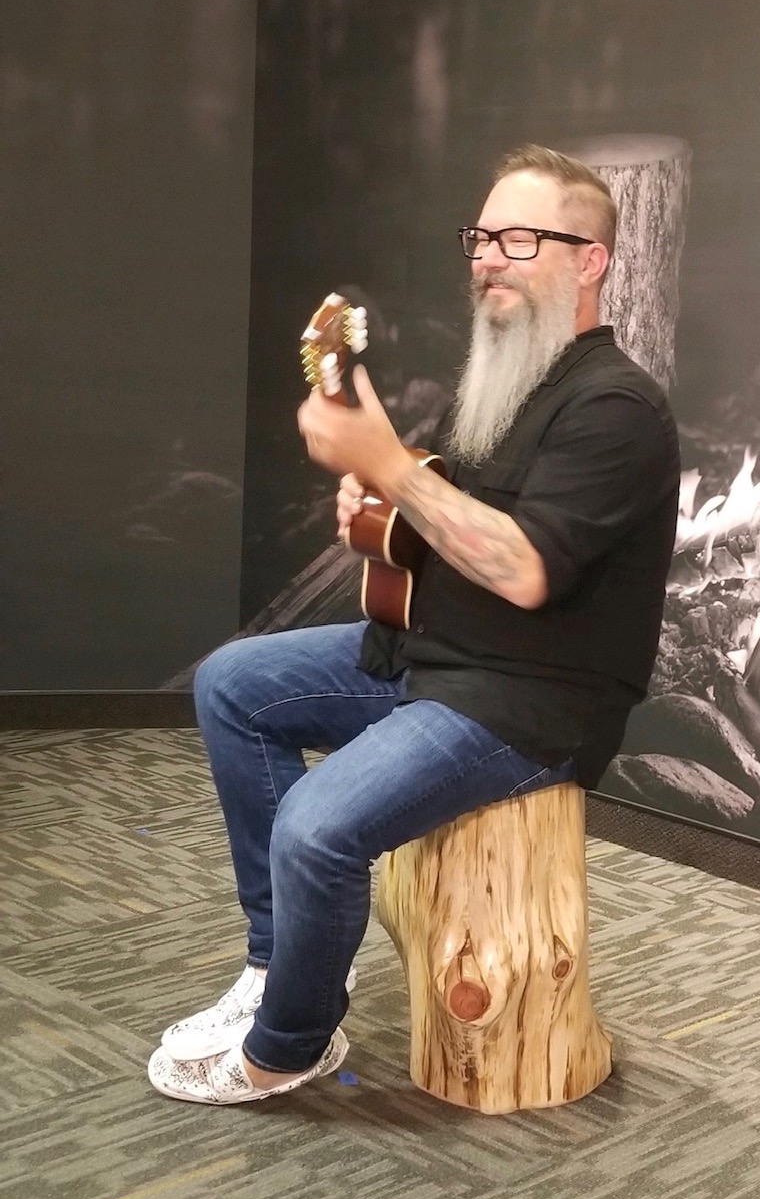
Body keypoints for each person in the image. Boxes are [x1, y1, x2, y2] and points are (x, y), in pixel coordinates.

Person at [147, 144, 681, 1105]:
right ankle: (280, 961)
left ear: (590, 261)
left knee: (316, 825)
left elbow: (525, 568)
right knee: (232, 684)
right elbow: (446, 518)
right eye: (481, 237)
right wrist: (381, 508)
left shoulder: (618, 409)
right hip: (434, 654)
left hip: (527, 703)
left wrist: (389, 465)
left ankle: (291, 1044)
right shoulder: (511, 381)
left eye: (521, 239)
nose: (488, 257)